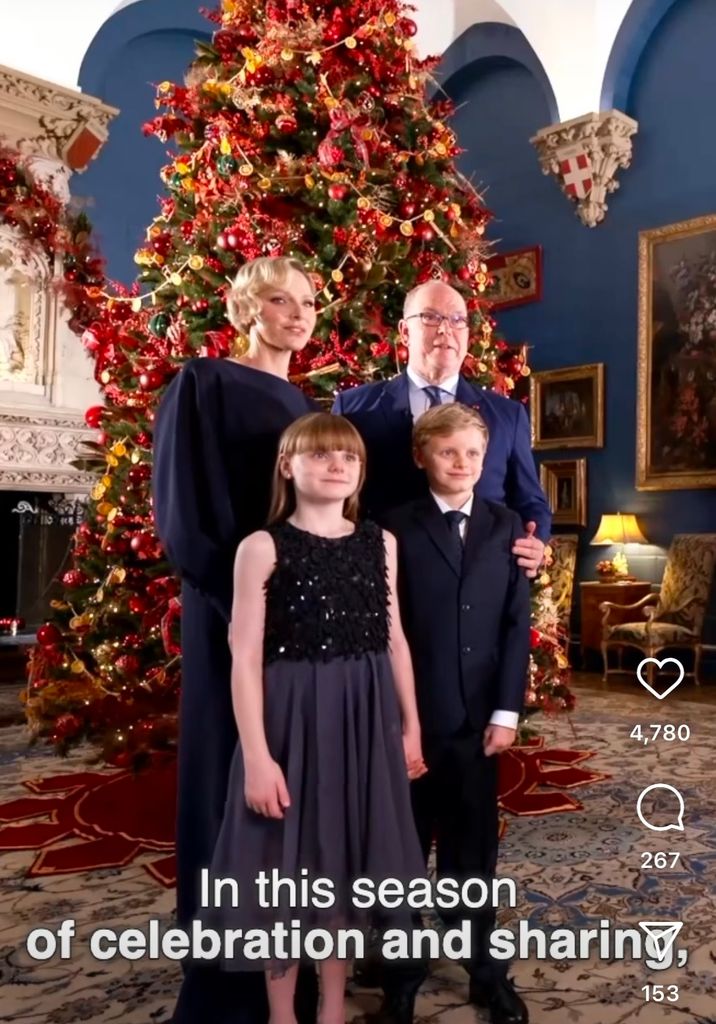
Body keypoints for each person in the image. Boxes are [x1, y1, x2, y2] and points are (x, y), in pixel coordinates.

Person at [208, 412, 427, 1024]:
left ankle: (331, 1007)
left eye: (350, 458)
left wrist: (410, 725)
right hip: (290, 722)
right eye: (323, 455)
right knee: (286, 862)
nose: (338, 466)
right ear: (288, 465)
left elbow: (395, 640)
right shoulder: (262, 547)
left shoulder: (380, 542)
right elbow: (244, 657)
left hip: (365, 719)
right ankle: (284, 1014)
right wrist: (256, 756)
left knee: (347, 861)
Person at [152, 256, 320, 1024]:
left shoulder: (304, 400)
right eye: (282, 300)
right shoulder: (205, 382)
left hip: (299, 618)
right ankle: (225, 982)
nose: (299, 312)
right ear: (250, 308)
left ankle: (286, 965)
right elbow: (185, 513)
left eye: (309, 301)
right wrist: (244, 601)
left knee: (287, 787)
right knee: (231, 776)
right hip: (230, 609)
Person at [382, 403, 531, 1024]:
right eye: (448, 452)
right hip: (410, 720)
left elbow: (514, 626)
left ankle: (482, 969)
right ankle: (401, 973)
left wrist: (507, 712)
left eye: (473, 453)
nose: (462, 464)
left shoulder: (508, 528)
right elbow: (385, 631)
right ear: (422, 457)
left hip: (478, 723)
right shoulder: (391, 527)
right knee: (402, 852)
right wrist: (393, 719)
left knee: (473, 851)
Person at [331, 279, 550, 576]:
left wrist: (535, 543)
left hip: (478, 580)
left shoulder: (507, 415)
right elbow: (338, 500)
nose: (445, 329)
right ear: (405, 332)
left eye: (457, 320)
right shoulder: (354, 407)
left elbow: (530, 501)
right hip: (383, 577)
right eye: (431, 317)